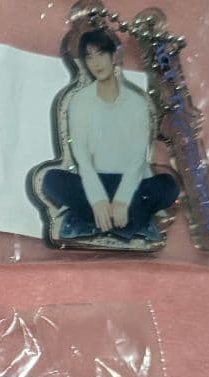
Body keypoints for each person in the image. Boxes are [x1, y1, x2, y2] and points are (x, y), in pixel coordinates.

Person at [41, 27, 179, 242]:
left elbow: (137, 158)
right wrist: (98, 200)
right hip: (94, 182)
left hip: (133, 183)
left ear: (114, 56)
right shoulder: (80, 102)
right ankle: (134, 224)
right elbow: (82, 158)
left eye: (101, 54)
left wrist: (122, 200)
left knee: (168, 186)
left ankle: (86, 222)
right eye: (89, 57)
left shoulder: (137, 103)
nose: (96, 63)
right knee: (51, 180)